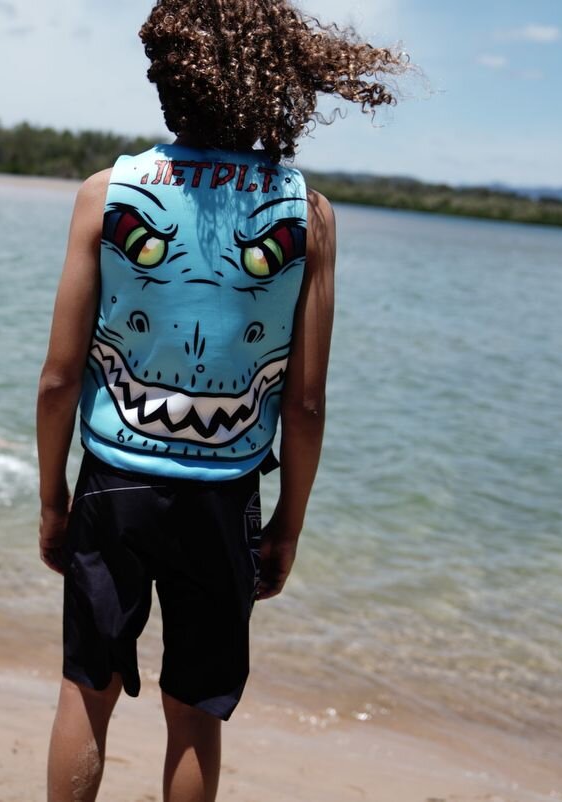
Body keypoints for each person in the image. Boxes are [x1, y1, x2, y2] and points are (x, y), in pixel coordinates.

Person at [35, 2, 407, 799]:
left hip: (114, 482)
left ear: (167, 78)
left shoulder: (108, 192)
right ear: (274, 79)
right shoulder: (307, 214)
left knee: (84, 690)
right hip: (226, 494)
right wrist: (288, 524)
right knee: (196, 711)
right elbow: (305, 405)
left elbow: (59, 377)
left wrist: (51, 500)